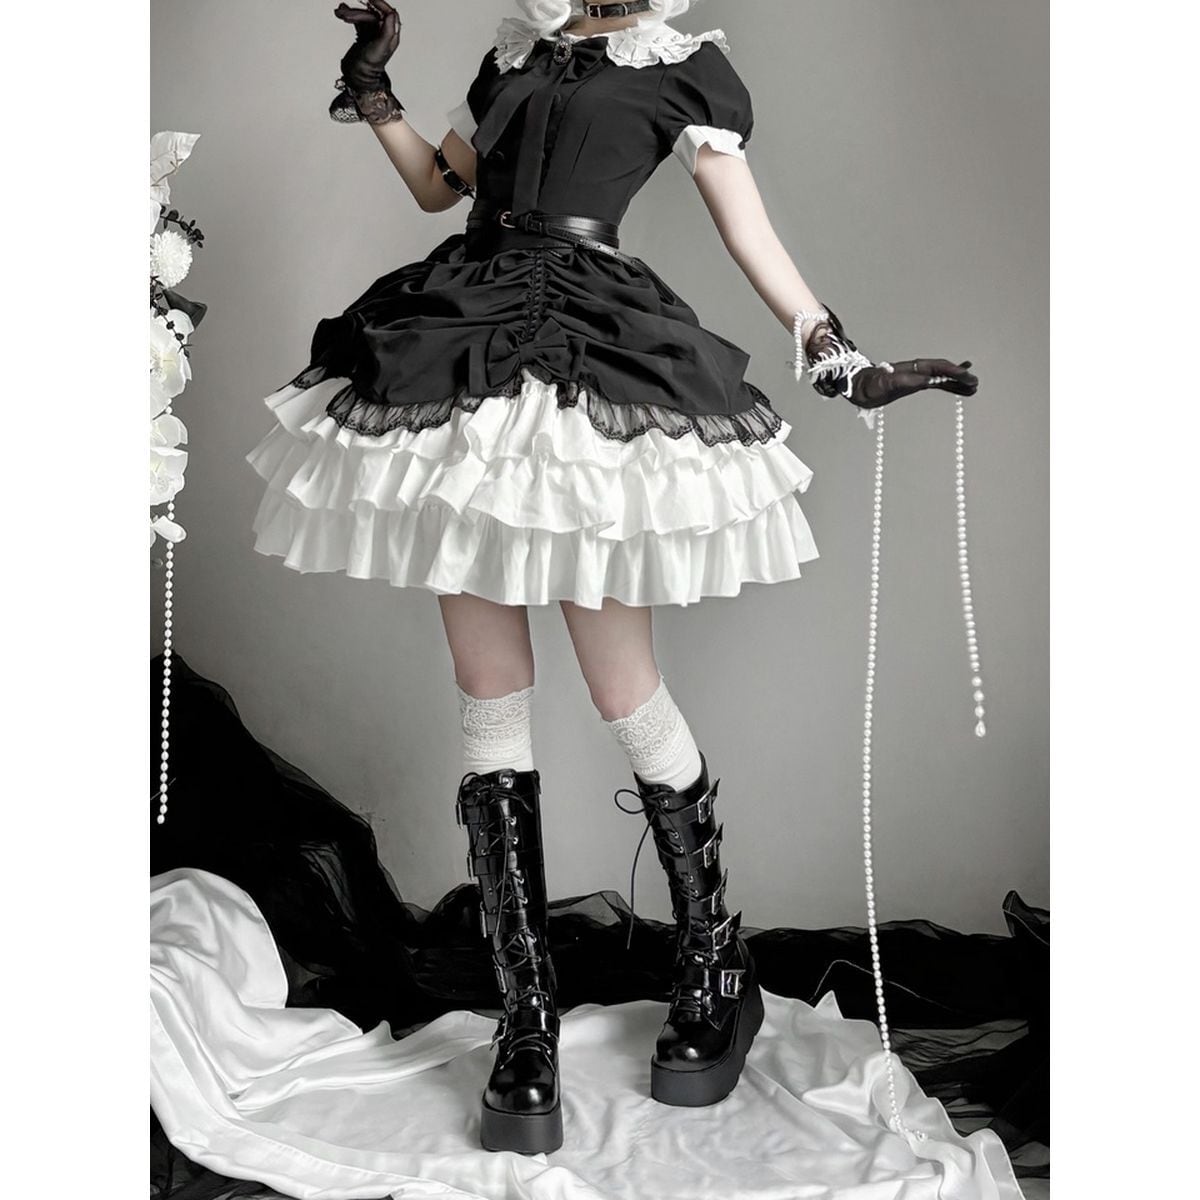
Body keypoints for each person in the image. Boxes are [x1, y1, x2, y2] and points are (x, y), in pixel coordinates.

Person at [245, 0, 979, 1157]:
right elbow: (441, 187)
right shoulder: (513, 53)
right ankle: (524, 1021)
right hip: (465, 340)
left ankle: (715, 966)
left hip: (592, 350)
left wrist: (837, 354)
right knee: (487, 682)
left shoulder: (684, 67)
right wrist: (374, 87)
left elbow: (746, 227)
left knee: (621, 685)